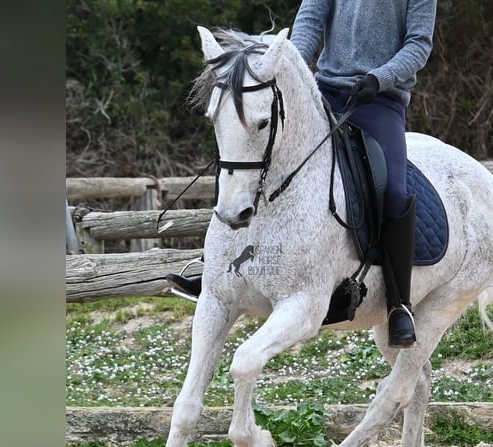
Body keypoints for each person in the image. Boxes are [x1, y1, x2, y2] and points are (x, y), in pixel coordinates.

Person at [167, 0, 437, 348]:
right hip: (320, 91)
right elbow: (308, 25)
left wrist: (379, 78)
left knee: (394, 192)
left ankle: (399, 304)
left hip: (379, 101)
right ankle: (216, 274)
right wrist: (280, 67)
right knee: (257, 157)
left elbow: (418, 45)